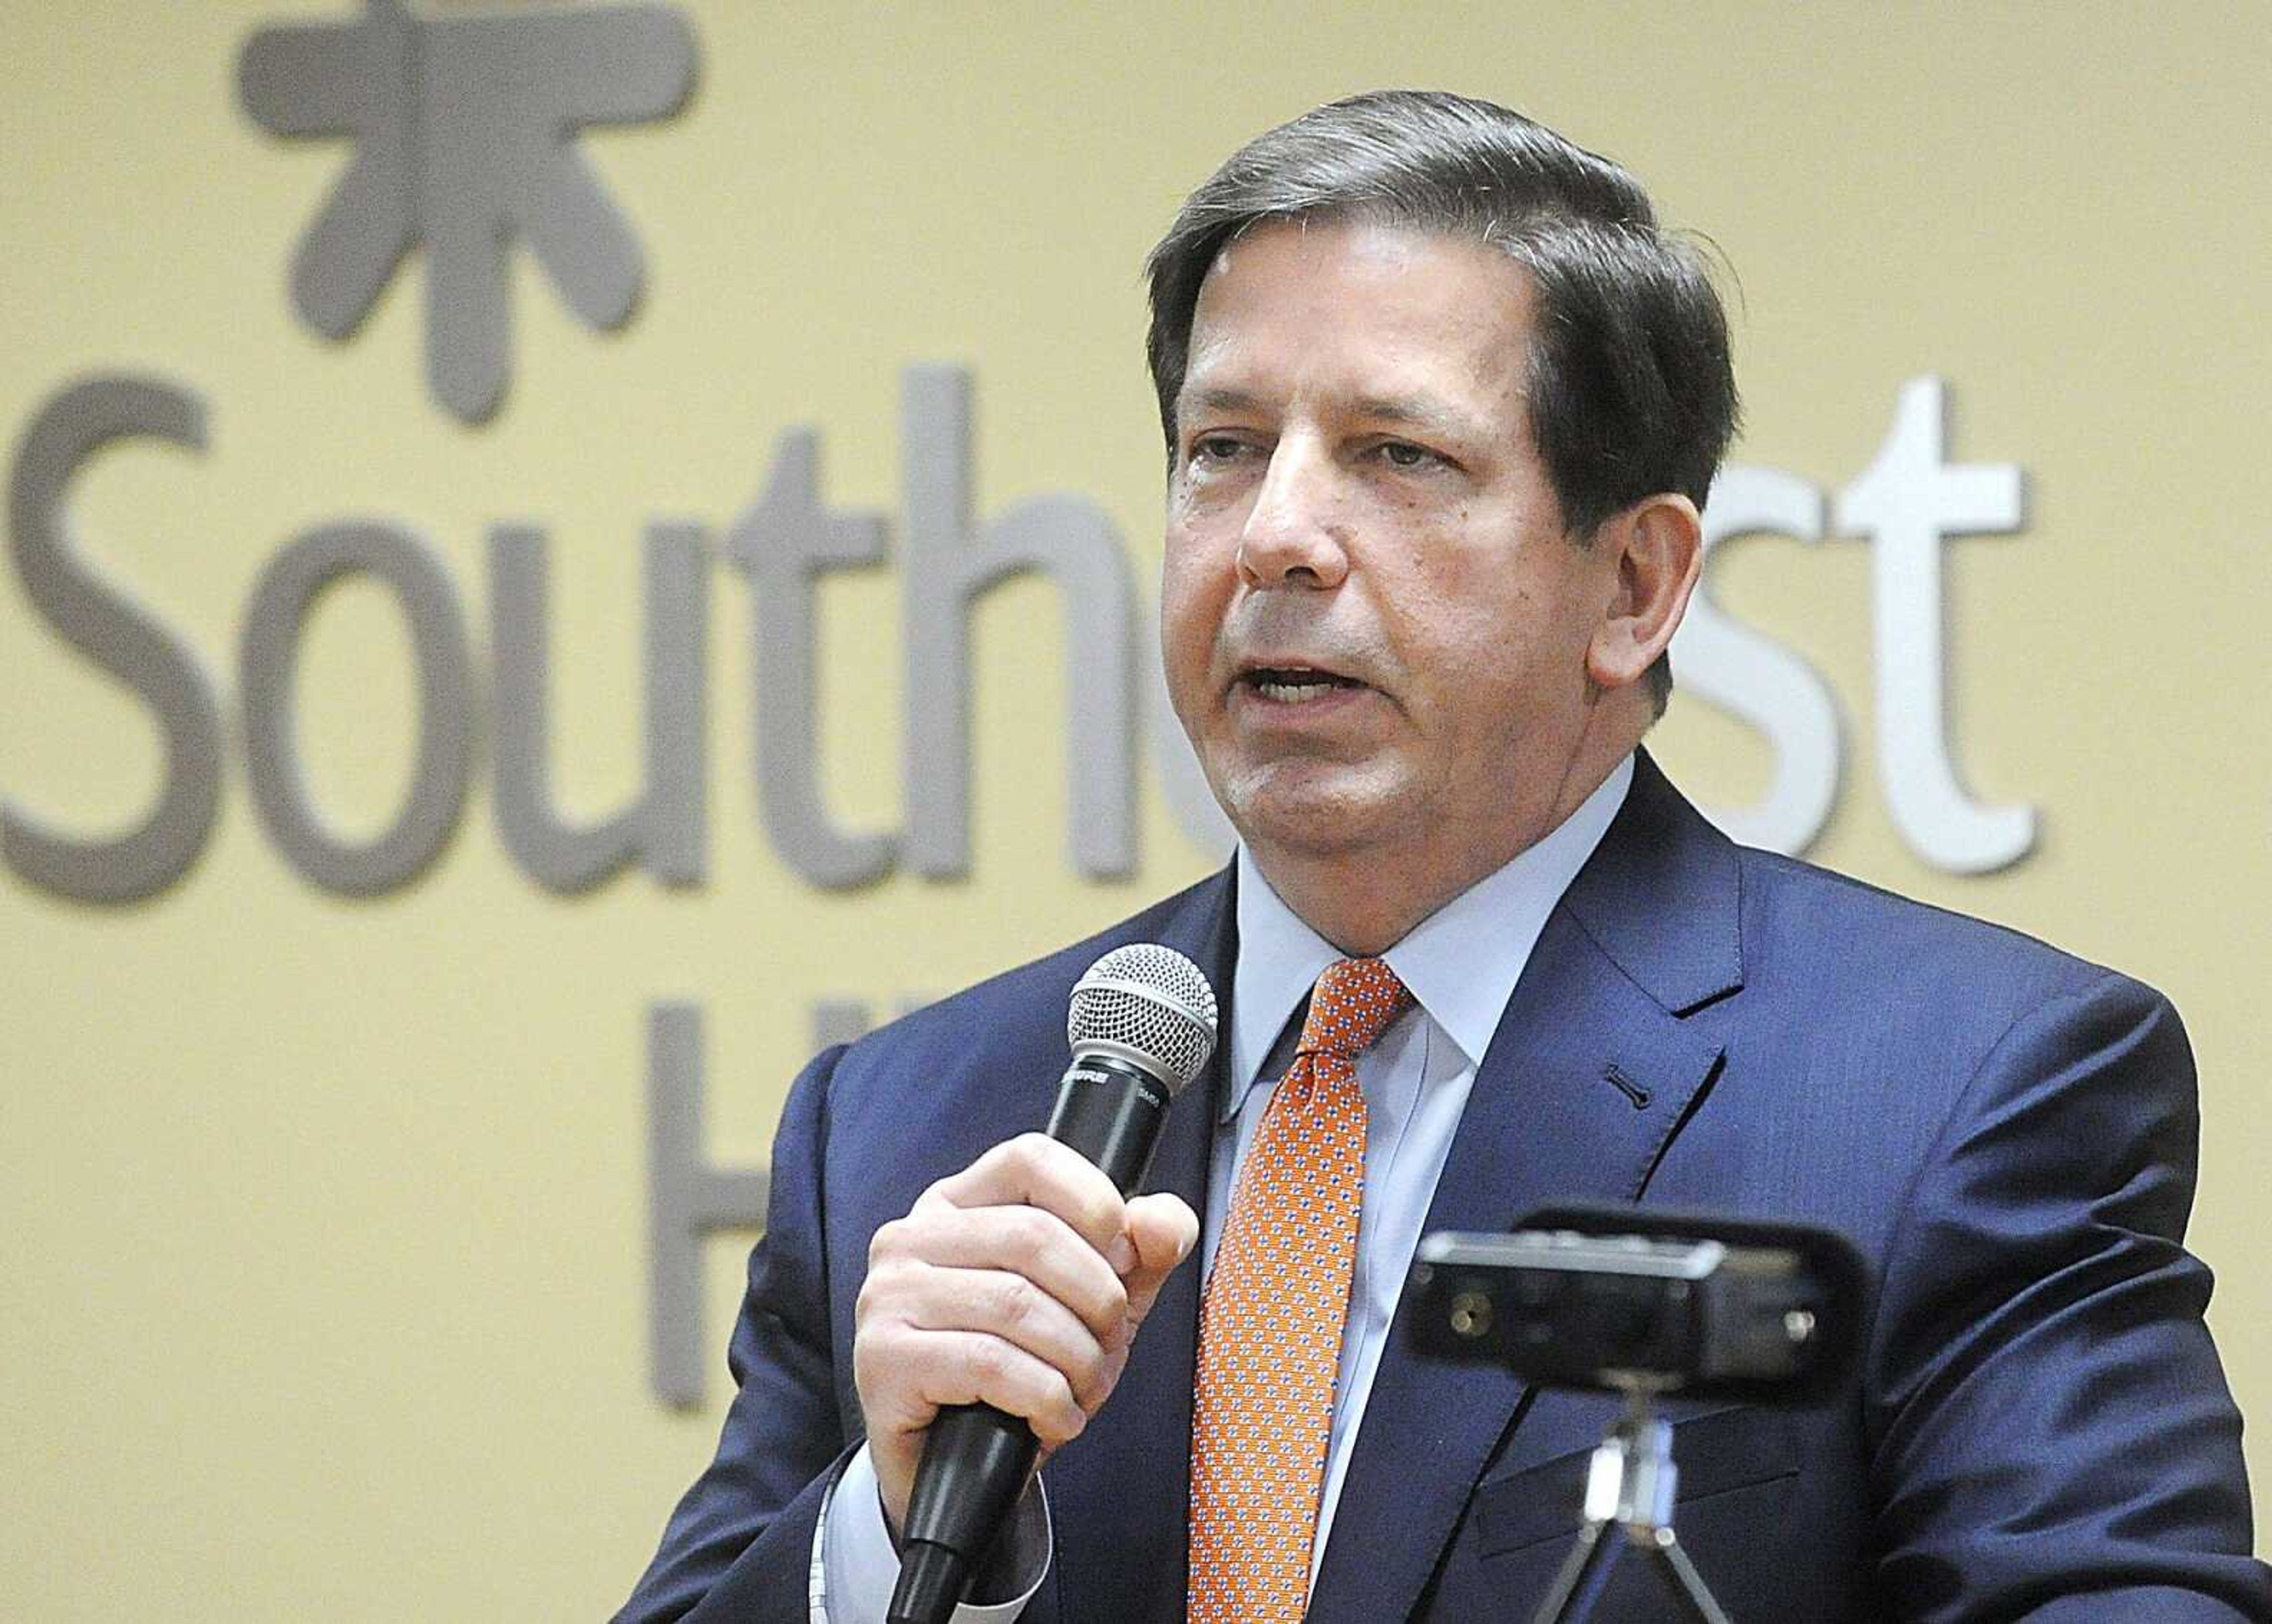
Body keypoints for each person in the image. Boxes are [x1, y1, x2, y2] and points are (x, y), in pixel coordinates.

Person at [615, 91, 2269, 1622]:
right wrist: (875, 1531)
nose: (1275, 534)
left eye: (1400, 456)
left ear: (1634, 583)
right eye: (1224, 447)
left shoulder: (1962, 1094)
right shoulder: (906, 1124)